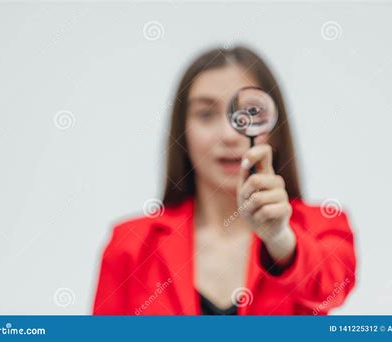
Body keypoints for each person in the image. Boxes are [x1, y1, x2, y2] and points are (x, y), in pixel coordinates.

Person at [92, 46, 357, 315]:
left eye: (250, 113)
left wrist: (280, 240)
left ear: (275, 129)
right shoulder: (131, 245)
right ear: (182, 131)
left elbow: (330, 288)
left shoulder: (322, 226)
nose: (229, 135)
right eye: (206, 114)